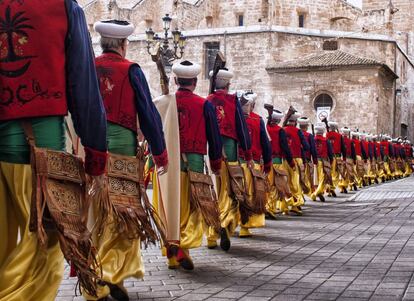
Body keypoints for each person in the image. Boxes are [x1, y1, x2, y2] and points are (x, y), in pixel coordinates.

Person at [0, 1, 107, 300]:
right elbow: (84, 88)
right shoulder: (64, 8)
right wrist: (96, 156)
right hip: (41, 156)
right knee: (46, 248)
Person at [91, 20, 169, 301]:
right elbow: (148, 114)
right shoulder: (131, 70)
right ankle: (110, 272)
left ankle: (95, 275)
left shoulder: (89, 66)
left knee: (96, 215)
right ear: (124, 45)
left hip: (91, 148)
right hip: (122, 151)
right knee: (123, 215)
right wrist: (160, 151)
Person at [168, 60, 223, 269]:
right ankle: (183, 247)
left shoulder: (166, 102)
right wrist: (216, 163)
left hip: (169, 166)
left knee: (170, 208)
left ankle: (172, 256)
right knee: (192, 209)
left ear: (175, 80)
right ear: (195, 81)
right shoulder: (204, 105)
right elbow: (214, 138)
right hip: (194, 164)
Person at [206, 68, 252, 251]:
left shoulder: (207, 101)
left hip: (211, 153)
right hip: (231, 153)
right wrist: (247, 155)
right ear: (228, 84)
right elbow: (241, 128)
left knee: (213, 194)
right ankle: (225, 224)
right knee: (230, 192)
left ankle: (211, 236)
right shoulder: (233, 101)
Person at [238, 92, 271, 237]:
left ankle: (227, 224)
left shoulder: (233, 118)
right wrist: (267, 162)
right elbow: (265, 142)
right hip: (253, 164)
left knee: (234, 195)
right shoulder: (258, 120)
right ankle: (245, 227)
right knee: (250, 195)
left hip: (234, 163)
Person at [267, 110, 295, 217]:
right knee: (279, 185)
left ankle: (271, 207)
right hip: (278, 161)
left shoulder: (266, 128)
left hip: (265, 161)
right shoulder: (280, 131)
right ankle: (273, 207)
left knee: (269, 185)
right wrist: (291, 162)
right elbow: (285, 147)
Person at [283, 111, 310, 215]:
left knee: (285, 183)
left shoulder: (283, 130)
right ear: (295, 122)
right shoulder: (298, 132)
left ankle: (285, 206)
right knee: (295, 183)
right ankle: (296, 204)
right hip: (296, 159)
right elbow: (306, 147)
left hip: (284, 160)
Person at [311, 125, 334, 202]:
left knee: (315, 179)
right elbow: (330, 152)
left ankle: (317, 191)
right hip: (323, 161)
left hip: (314, 161)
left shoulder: (313, 139)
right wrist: (331, 161)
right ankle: (317, 192)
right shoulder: (326, 140)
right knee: (323, 179)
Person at [297, 117, 318, 199]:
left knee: (299, 178)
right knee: (309, 178)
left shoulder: (296, 133)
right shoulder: (309, 136)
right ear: (307, 126)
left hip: (298, 160)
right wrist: (315, 160)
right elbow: (312, 149)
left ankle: (301, 194)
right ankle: (312, 194)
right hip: (307, 160)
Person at [326, 121, 346, 196]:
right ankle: (332, 187)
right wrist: (344, 157)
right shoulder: (339, 135)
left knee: (329, 173)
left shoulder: (327, 134)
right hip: (337, 157)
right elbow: (343, 148)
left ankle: (328, 187)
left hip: (328, 157)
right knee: (336, 174)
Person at [338, 127, 357, 192]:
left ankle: (342, 187)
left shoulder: (340, 140)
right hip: (349, 158)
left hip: (342, 158)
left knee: (342, 173)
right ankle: (352, 184)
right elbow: (353, 151)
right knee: (350, 172)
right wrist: (354, 159)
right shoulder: (350, 141)